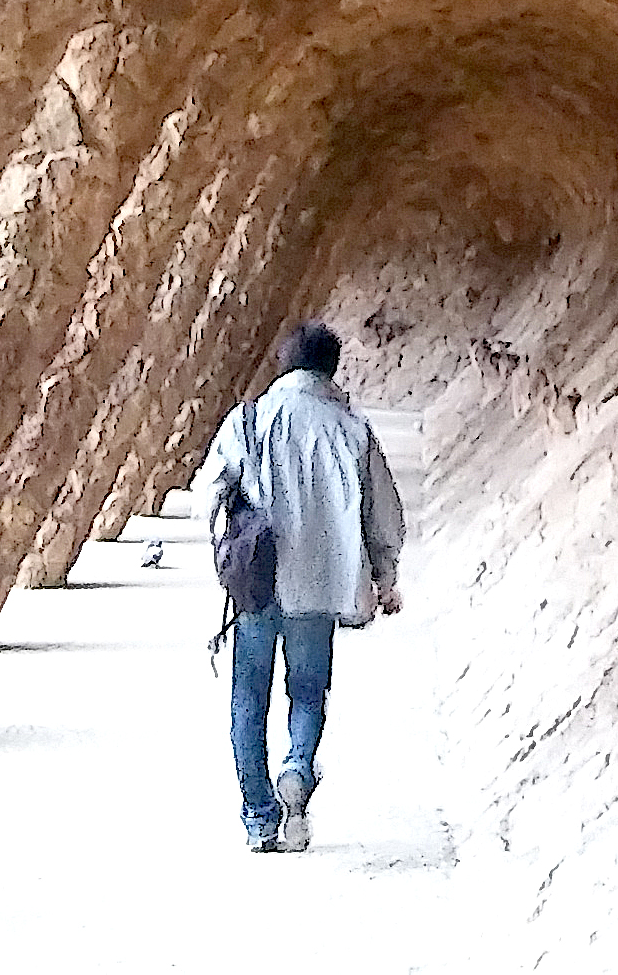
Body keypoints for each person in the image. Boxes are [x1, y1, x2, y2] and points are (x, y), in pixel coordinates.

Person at [194, 321, 406, 853]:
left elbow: (208, 492)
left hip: (258, 582)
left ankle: (260, 819)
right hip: (320, 584)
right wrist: (385, 576)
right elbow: (383, 513)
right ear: (331, 369)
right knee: (308, 692)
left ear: (284, 364)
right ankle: (297, 768)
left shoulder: (248, 420)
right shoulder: (352, 429)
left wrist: (227, 542)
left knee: (249, 699)